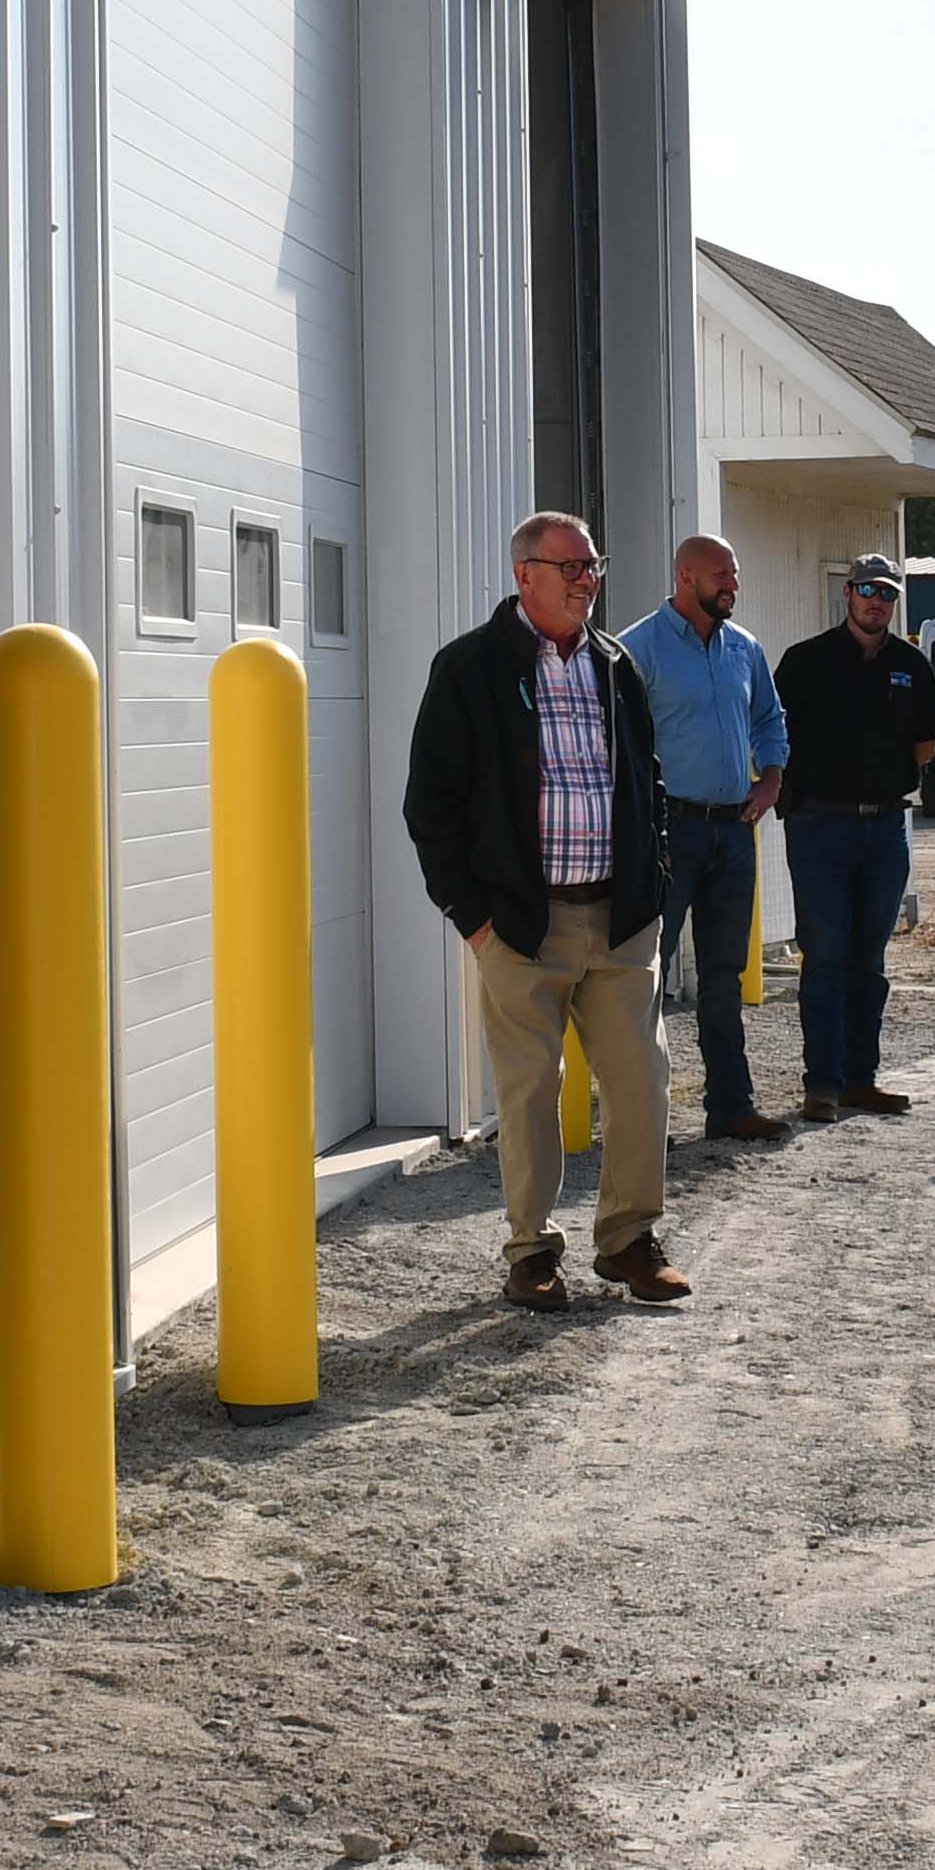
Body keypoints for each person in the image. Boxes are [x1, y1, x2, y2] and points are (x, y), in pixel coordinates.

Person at [404, 510, 686, 1310]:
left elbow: (648, 782)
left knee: (643, 1080)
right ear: (523, 573)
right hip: (523, 924)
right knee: (530, 1091)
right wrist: (474, 916)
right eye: (570, 567)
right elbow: (431, 806)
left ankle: (628, 1241)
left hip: (622, 920)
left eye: (593, 565)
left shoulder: (614, 665)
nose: (586, 580)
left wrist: (653, 880)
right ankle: (531, 1252)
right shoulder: (470, 668)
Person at [607, 532, 795, 1145]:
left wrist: (769, 780)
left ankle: (730, 1108)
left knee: (723, 977)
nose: (733, 586)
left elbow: (770, 719)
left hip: (733, 833)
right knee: (644, 977)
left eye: (736, 575)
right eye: (723, 576)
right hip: (667, 836)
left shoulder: (744, 649)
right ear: (686, 577)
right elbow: (616, 742)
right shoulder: (638, 649)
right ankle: (639, 1117)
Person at [771, 551, 935, 1121]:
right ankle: (821, 1084)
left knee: (868, 962)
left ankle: (861, 1080)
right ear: (847, 594)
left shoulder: (911, 665)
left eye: (888, 593)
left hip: (885, 829)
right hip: (819, 826)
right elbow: (774, 739)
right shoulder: (805, 662)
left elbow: (926, 744)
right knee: (824, 957)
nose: (877, 601)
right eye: (868, 589)